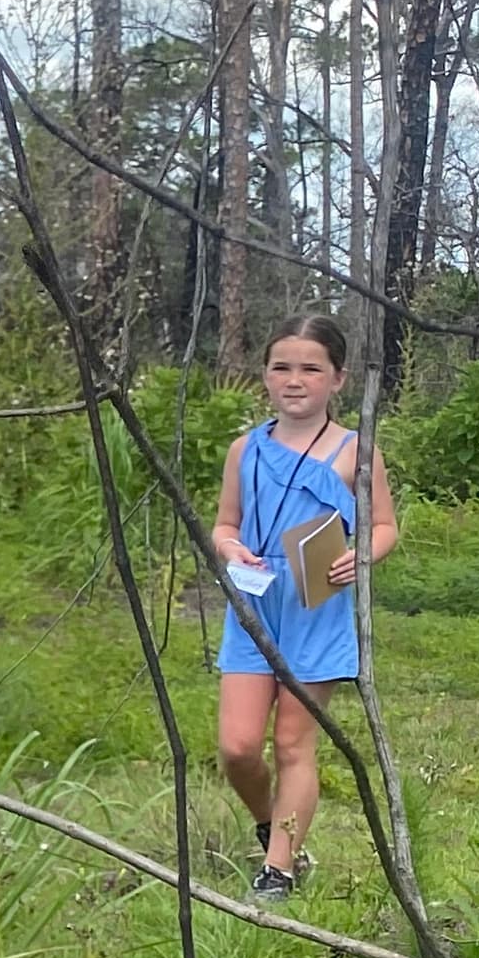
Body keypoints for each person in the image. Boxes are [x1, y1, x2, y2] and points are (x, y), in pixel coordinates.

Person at [209, 315, 399, 901]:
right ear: (264, 375)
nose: (295, 380)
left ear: (337, 379)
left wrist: (361, 557)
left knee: (294, 743)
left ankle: (280, 870)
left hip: (317, 612)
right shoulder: (245, 449)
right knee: (237, 747)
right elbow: (224, 524)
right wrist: (230, 546)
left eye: (311, 369)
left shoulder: (353, 449)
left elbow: (385, 526)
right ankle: (272, 826)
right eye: (281, 367)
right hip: (253, 610)